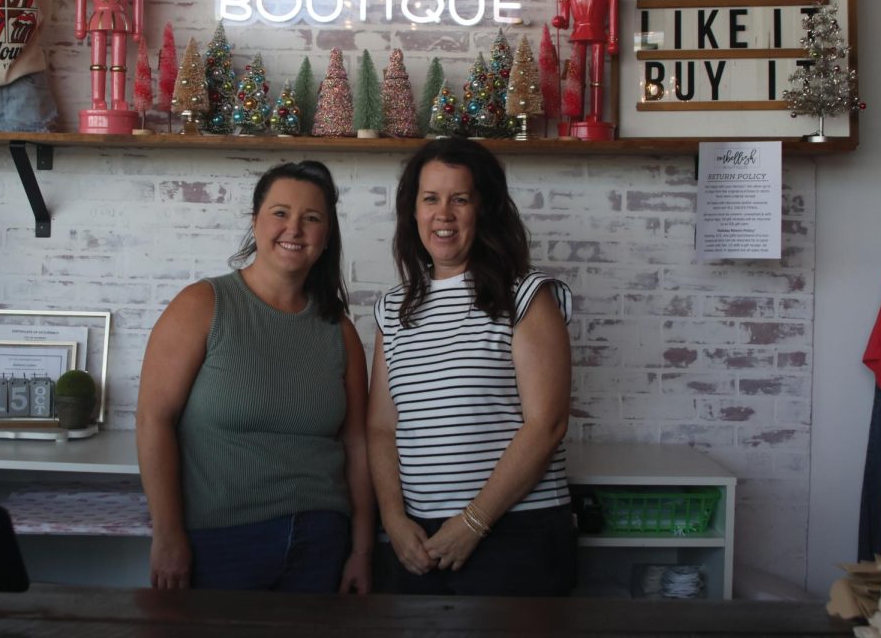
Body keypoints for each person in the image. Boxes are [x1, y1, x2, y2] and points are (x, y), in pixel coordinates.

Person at [137, 160, 374, 593]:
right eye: (280, 212)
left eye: (312, 218)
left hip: (323, 543)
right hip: (220, 542)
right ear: (255, 222)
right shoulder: (203, 305)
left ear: (326, 237)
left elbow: (357, 444)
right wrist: (167, 535)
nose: (295, 228)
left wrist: (361, 551)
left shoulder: (340, 331)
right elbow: (154, 421)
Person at [368, 137, 575, 596]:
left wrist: (473, 522)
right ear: (414, 212)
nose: (443, 213)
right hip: (418, 540)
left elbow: (548, 424)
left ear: (484, 210)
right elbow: (381, 427)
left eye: (460, 198)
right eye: (430, 199)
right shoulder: (393, 308)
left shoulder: (525, 295)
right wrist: (393, 518)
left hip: (515, 531)